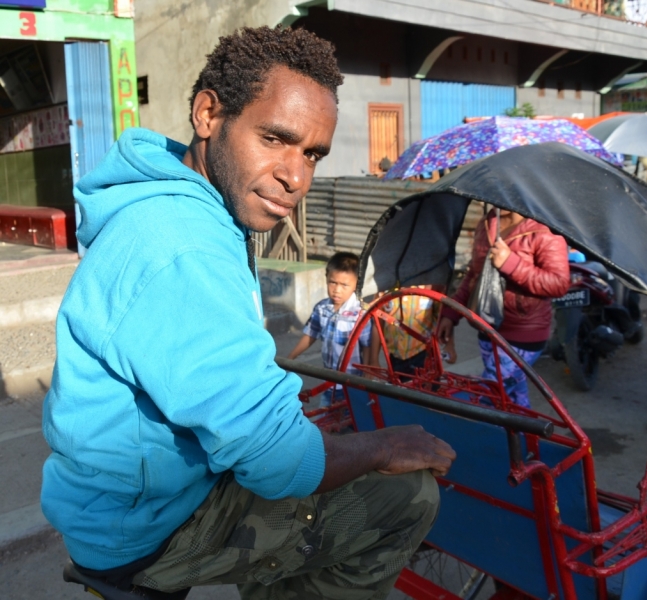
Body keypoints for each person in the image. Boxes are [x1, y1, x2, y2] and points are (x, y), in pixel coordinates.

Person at [41, 26, 455, 599]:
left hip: (126, 498)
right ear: (208, 114)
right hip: (151, 527)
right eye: (275, 138)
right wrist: (383, 447)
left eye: (312, 153)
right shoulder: (181, 243)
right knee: (409, 497)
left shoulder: (181, 199)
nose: (297, 177)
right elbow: (278, 461)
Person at [437, 209, 570, 408]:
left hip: (523, 334)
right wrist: (450, 314)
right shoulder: (486, 224)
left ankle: (490, 438)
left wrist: (511, 264)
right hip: (487, 329)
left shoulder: (544, 231)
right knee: (514, 399)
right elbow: (474, 275)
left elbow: (558, 284)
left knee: (488, 398)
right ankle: (524, 437)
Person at [288, 251, 371, 407]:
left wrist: (366, 375)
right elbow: (310, 334)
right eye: (333, 282)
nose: (337, 290)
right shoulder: (322, 308)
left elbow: (367, 345)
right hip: (329, 383)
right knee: (326, 424)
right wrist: (290, 358)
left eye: (344, 285)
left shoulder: (360, 313)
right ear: (326, 279)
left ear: (356, 284)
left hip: (352, 384)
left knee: (354, 426)